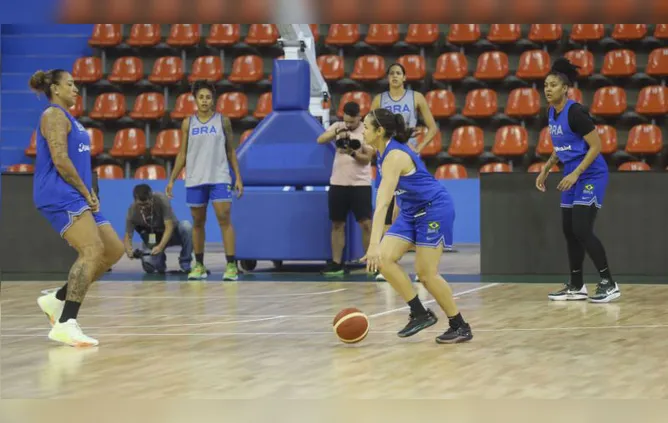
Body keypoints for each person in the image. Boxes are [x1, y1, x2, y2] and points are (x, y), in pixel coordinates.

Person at [361, 108, 472, 344]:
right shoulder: (381, 153)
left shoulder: (394, 156)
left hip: (434, 209)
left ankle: (459, 325)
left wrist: (373, 244)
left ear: (379, 131)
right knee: (384, 259)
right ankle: (420, 313)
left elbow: (382, 203)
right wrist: (393, 230)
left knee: (426, 274)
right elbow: (403, 192)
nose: (363, 130)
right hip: (411, 211)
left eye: (366, 127)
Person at [31, 69, 124, 347]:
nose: (75, 89)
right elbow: (60, 160)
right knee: (91, 250)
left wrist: (89, 190)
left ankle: (57, 299)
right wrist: (85, 191)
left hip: (80, 193)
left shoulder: (70, 118)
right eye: (69, 84)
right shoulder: (53, 115)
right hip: (59, 192)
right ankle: (66, 323)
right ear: (55, 89)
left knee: (113, 251)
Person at [536, 58, 620, 303]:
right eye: (545, 85)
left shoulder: (576, 112)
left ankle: (609, 283)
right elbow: (561, 146)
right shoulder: (551, 112)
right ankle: (576, 285)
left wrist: (575, 174)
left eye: (552, 85)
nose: (547, 89)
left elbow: (596, 146)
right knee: (569, 231)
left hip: (591, 174)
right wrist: (546, 169)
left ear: (565, 88)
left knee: (582, 228)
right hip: (571, 174)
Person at [166, 80, 243, 281]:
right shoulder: (187, 123)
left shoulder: (223, 121)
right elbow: (182, 153)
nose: (205, 101)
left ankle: (231, 265)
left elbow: (230, 151)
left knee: (224, 219)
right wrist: (172, 179)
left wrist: (238, 177)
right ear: (195, 100)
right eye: (201, 97)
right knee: (198, 222)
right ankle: (198, 264)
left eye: (208, 97)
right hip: (195, 177)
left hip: (219, 176)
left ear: (213, 100)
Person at [371, 63, 439, 281]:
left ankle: (423, 266)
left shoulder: (416, 97)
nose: (394, 77)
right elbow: (371, 130)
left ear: (405, 77)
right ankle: (388, 263)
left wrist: (419, 147)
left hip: (407, 158)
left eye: (398, 73)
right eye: (391, 73)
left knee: (413, 209)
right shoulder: (379, 100)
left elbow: (433, 127)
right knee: (388, 206)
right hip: (388, 158)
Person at [316, 101, 375, 276]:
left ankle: (372, 263)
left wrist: (352, 152)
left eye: (352, 122)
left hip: (360, 184)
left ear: (359, 117)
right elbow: (320, 139)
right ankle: (336, 264)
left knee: (366, 224)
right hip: (338, 183)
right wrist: (337, 132)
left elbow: (367, 158)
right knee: (337, 224)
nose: (349, 125)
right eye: (346, 121)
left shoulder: (366, 130)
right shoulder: (339, 126)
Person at [124, 184, 193, 274]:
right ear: (135, 201)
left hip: (172, 234)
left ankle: (185, 263)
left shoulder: (161, 199)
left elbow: (169, 226)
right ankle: (160, 263)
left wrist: (160, 247)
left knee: (186, 226)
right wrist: (129, 250)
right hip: (154, 239)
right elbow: (128, 235)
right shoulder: (132, 211)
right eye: (140, 205)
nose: (143, 207)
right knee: (149, 267)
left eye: (146, 204)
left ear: (151, 198)